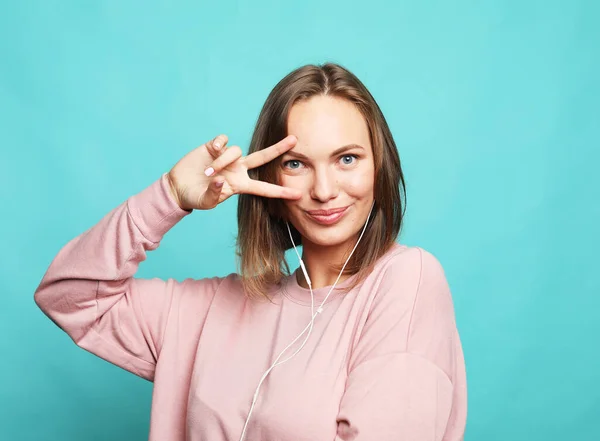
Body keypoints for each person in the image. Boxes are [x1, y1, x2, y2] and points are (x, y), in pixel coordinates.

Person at [34, 62, 467, 441]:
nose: (324, 190)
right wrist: (170, 196)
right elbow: (69, 296)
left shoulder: (407, 281)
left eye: (347, 159)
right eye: (296, 164)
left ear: (380, 165)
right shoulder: (205, 312)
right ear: (270, 179)